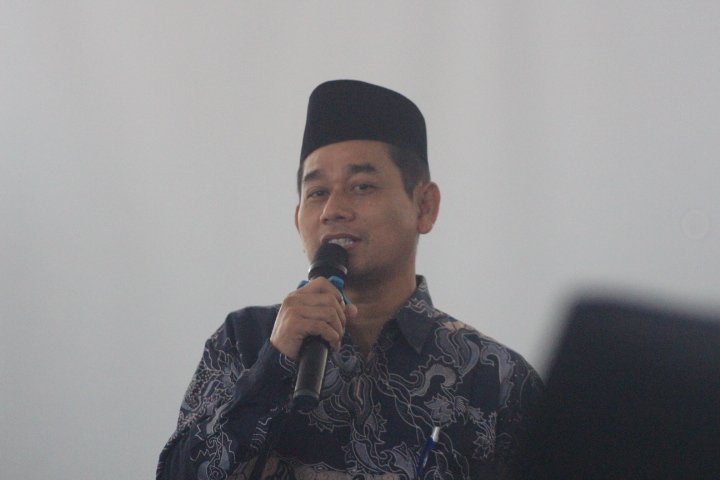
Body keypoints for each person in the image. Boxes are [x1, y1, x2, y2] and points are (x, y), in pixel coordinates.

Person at [157, 80, 544, 479]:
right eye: (317, 192)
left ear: (424, 206)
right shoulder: (245, 341)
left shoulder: (494, 376)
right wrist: (274, 366)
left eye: (362, 186)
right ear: (298, 221)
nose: (333, 210)